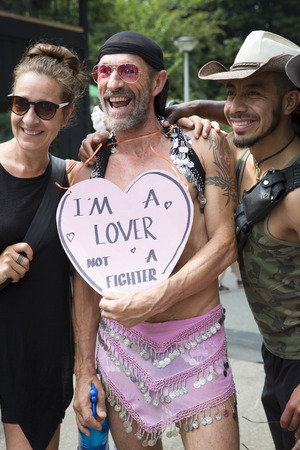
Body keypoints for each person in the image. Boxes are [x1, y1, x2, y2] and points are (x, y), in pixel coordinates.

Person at [72, 31, 239, 450]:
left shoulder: (204, 145)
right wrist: (84, 371)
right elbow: (85, 282)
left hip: (197, 345)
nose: (113, 83)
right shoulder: (87, 169)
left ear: (159, 81)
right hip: (122, 349)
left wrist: (156, 298)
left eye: (128, 71)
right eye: (104, 72)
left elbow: (224, 244)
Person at [167, 30, 300, 450]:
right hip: (274, 355)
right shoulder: (242, 156)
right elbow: (227, 116)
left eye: (255, 92)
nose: (236, 106)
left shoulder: (296, 194)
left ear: (291, 102)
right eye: (231, 92)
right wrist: (185, 109)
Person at [0, 42, 88, 449]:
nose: (30, 118)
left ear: (66, 114)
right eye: (21, 104)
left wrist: (196, 125)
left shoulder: (76, 181)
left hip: (39, 353)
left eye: (45, 108)